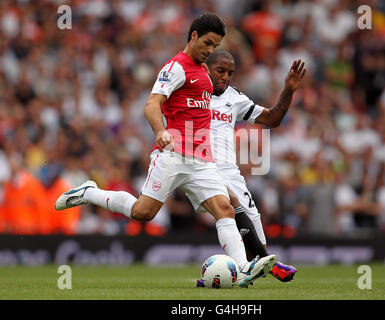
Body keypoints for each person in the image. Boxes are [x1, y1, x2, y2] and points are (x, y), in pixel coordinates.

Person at [55, 13, 276, 288]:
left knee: (225, 209)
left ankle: (241, 269)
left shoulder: (205, 74)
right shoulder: (176, 67)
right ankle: (90, 192)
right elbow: (151, 104)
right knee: (143, 212)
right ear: (193, 35)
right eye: (207, 42)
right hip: (173, 155)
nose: (209, 50)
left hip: (201, 159)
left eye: (215, 46)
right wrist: (161, 131)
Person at [193, 50, 306, 286]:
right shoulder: (191, 92)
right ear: (206, 69)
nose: (225, 77)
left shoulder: (234, 98)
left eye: (230, 73)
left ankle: (246, 271)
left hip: (229, 171)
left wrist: (288, 90)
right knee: (229, 208)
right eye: (220, 71)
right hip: (199, 167)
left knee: (253, 221)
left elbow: (273, 119)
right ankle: (263, 267)